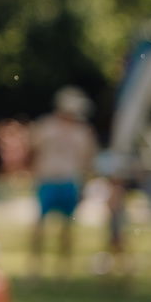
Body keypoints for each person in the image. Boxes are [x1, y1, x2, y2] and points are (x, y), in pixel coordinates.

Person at [28, 86, 98, 275]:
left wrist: (84, 183)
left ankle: (63, 268)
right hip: (48, 179)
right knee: (40, 225)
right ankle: (36, 267)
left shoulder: (82, 132)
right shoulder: (46, 126)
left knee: (67, 227)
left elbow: (87, 160)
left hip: (69, 181)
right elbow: (34, 151)